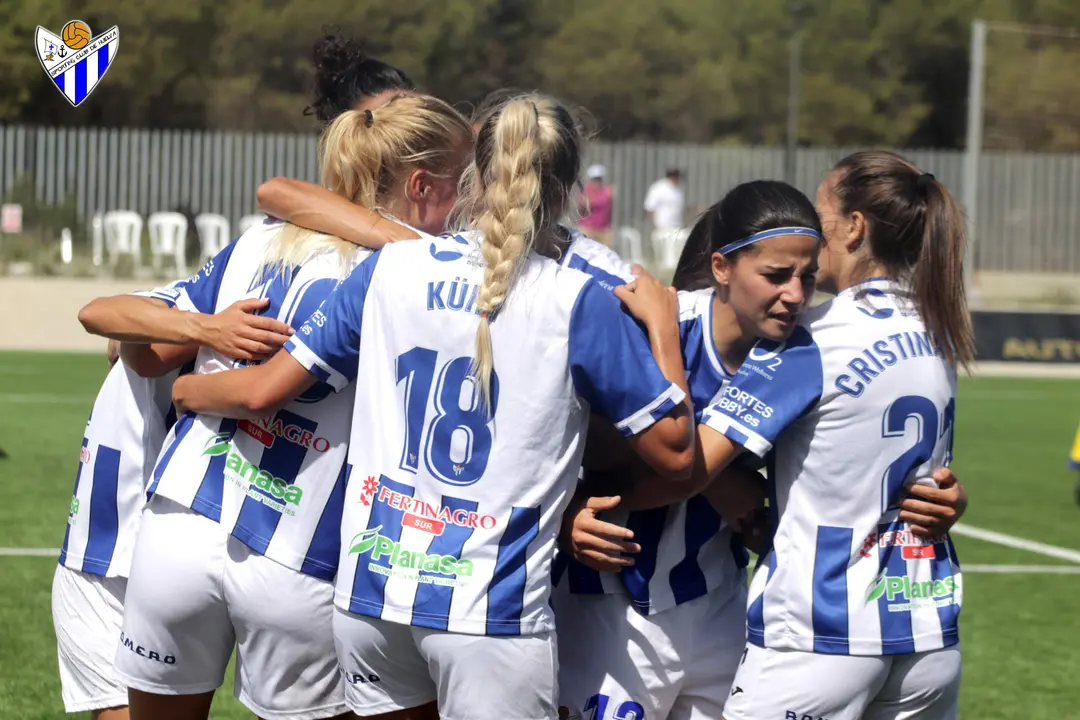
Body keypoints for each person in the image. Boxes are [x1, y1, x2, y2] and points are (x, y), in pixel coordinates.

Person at [167, 92, 697, 720]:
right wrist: (663, 327)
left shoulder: (389, 269)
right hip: (487, 612)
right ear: (569, 186)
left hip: (370, 599)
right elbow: (676, 454)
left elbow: (274, 381)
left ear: (472, 171)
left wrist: (189, 389)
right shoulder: (578, 299)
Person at [85, 94, 473, 720]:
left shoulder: (258, 242)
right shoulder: (420, 278)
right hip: (299, 554)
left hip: (176, 529)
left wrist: (198, 366)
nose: (473, 203)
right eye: (466, 184)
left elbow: (147, 355)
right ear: (424, 185)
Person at [555, 180, 970, 720]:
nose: (796, 294)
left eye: (808, 276)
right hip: (610, 607)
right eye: (776, 276)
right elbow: (539, 443)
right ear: (722, 268)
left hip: (720, 606)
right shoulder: (643, 324)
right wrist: (568, 515)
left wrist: (943, 493)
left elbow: (865, 457)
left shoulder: (803, 352)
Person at [56, 287, 292, 720]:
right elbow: (102, 315)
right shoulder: (205, 294)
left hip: (192, 546)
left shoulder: (278, 313)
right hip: (99, 548)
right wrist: (205, 327)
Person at [644, 168, 687, 270]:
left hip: (676, 226)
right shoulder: (659, 188)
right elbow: (650, 207)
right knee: (667, 255)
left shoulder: (679, 190)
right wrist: (654, 224)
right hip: (662, 226)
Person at [578, 164, 615, 248]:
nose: (597, 181)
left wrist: (593, 200)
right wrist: (601, 199)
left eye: (599, 179)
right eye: (595, 179)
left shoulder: (606, 190)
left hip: (604, 229)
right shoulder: (586, 190)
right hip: (587, 228)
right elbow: (583, 204)